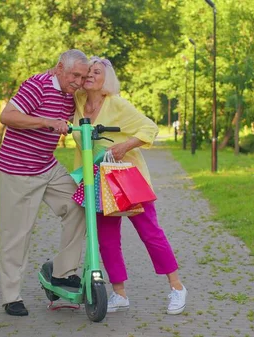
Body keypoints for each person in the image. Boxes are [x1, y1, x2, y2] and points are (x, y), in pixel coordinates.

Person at [71, 56, 188, 315]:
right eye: (88, 71)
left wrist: (125, 145)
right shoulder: (77, 101)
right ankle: (119, 294)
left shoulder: (118, 104)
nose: (90, 75)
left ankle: (177, 287)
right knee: (108, 240)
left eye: (97, 72)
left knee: (150, 234)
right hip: (97, 183)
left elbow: (150, 128)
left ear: (106, 80)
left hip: (127, 180)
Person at [0, 49, 90, 317]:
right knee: (17, 234)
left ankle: (62, 272)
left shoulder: (70, 94)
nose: (79, 82)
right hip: (18, 170)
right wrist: (46, 122)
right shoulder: (37, 85)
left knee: (80, 205)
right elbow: (7, 116)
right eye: (75, 75)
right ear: (59, 68)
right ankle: (11, 296)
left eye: (83, 77)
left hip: (46, 166)